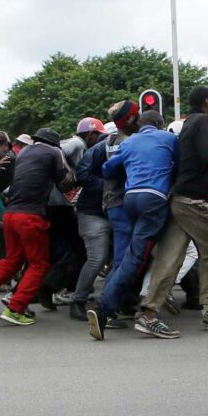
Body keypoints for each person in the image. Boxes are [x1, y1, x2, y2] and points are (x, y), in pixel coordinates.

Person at [140, 86, 208, 339]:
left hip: (179, 198)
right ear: (206, 102)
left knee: (170, 258)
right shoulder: (204, 121)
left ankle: (149, 313)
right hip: (193, 200)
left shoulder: (189, 122)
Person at [86, 110, 178, 340]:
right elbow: (182, 162)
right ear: (160, 123)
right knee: (136, 258)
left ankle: (128, 302)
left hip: (130, 198)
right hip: (154, 198)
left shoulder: (130, 142)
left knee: (133, 254)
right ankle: (104, 308)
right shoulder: (168, 139)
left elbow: (108, 169)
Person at [0, 128, 69, 325]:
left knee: (12, 259)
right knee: (39, 264)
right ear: (54, 143)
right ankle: (16, 308)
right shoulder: (53, 152)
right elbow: (63, 180)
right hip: (31, 217)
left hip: (11, 214)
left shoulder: (23, 154)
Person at [71, 118, 115, 320]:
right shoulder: (98, 149)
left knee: (117, 259)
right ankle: (78, 301)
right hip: (93, 212)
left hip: (110, 212)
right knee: (97, 258)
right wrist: (107, 186)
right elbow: (81, 174)